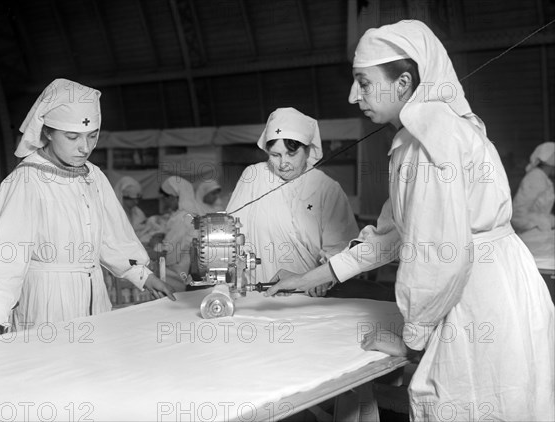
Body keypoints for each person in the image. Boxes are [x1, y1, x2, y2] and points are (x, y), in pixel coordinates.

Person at [266, 20, 554, 421]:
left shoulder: (430, 143)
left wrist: (411, 342)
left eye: (363, 83)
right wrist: (308, 278)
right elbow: (390, 236)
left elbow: (436, 255)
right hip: (494, 285)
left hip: (479, 295)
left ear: (403, 83)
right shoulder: (418, 137)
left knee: (470, 403)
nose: (353, 95)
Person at [0, 78, 175, 343]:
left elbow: (111, 235)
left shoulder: (93, 175)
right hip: (47, 300)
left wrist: (143, 275)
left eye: (92, 136)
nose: (85, 147)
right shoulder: (27, 181)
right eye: (72, 137)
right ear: (48, 132)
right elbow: (7, 255)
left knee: (96, 366)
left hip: (95, 294)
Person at [225, 107, 359, 297]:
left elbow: (342, 247)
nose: (283, 164)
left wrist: (321, 277)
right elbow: (229, 230)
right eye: (275, 155)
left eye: (291, 154)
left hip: (303, 294)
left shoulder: (326, 188)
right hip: (255, 291)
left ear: (307, 149)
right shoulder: (254, 176)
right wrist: (235, 268)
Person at [159, 176, 204, 284]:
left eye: (166, 197)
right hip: (189, 268)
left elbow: (168, 250)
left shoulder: (182, 218)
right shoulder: (194, 213)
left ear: (175, 197)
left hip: (179, 273)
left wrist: (156, 245)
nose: (165, 202)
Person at [511, 142, 555, 233]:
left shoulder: (543, 178)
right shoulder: (535, 178)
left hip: (541, 232)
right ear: (551, 161)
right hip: (531, 235)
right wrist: (541, 222)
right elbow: (517, 215)